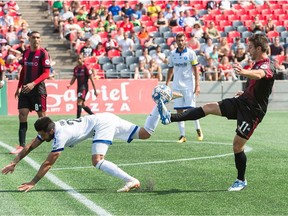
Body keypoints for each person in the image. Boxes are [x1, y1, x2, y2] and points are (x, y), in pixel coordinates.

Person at [157, 34, 276, 191]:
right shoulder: (256, 64)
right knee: (208, 107)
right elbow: (255, 85)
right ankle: (170, 117)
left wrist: (244, 72)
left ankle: (241, 180)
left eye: (251, 47)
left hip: (252, 112)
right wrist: (245, 92)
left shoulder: (267, 65)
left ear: (259, 49)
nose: (248, 50)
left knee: (237, 146)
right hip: (242, 102)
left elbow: (260, 75)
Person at [1, 102, 166, 192]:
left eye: (43, 135)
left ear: (50, 131)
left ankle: (131, 180)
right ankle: (159, 103)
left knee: (97, 160)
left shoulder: (60, 135)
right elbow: (31, 145)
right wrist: (15, 161)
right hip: (105, 118)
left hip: (101, 124)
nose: (42, 138)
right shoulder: (52, 128)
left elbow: (48, 163)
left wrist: (33, 182)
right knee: (145, 133)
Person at [11, 31, 51, 154]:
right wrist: (19, 86)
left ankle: (55, 138)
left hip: (38, 90)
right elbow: (23, 71)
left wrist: (33, 83)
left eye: (38, 37)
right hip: (25, 89)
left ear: (41, 40)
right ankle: (21, 146)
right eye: (33, 37)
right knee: (22, 115)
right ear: (29, 39)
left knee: (42, 119)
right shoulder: (26, 53)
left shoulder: (44, 53)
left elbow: (46, 73)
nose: (36, 40)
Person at [165, 33, 203, 143]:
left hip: (188, 86)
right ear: (176, 41)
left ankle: (198, 129)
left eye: (182, 40)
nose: (180, 42)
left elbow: (196, 70)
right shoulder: (172, 54)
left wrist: (197, 85)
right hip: (177, 86)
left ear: (185, 41)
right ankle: (182, 135)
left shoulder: (191, 53)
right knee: (179, 111)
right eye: (178, 40)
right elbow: (170, 69)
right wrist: (167, 84)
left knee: (192, 110)